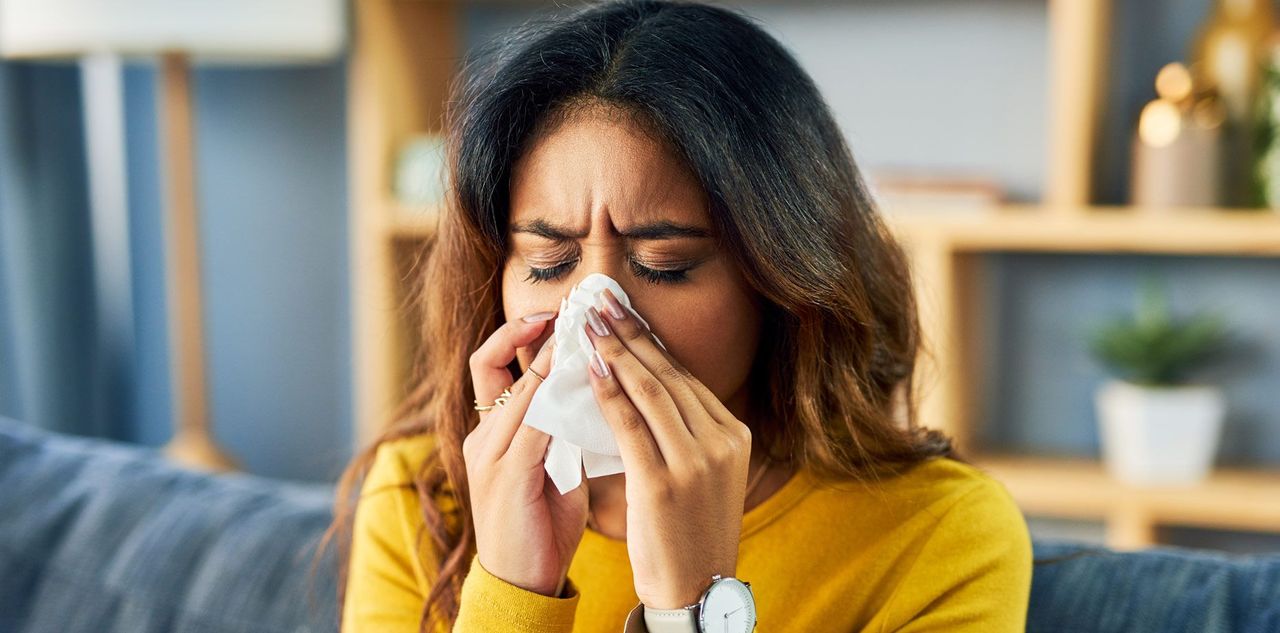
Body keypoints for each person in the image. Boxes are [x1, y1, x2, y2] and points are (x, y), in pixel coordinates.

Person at [327, 1, 1032, 631]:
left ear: (781, 279)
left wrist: (697, 605)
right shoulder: (423, 497)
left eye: (665, 263)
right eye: (547, 261)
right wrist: (513, 588)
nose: (596, 312)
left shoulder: (939, 533)